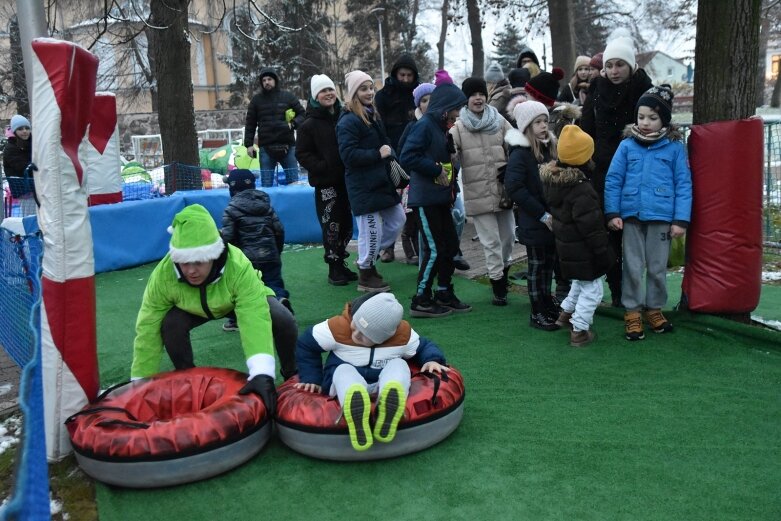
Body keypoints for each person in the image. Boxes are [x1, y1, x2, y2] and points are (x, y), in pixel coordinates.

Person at [130, 204, 299, 417]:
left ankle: (292, 374)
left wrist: (262, 373)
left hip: (238, 300)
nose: (191, 270)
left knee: (282, 318)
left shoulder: (238, 266)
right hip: (191, 308)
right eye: (184, 262)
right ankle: (187, 379)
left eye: (199, 261)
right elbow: (147, 327)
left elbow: (253, 316)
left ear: (212, 254)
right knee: (170, 323)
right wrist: (140, 382)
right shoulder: (163, 275)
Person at [294, 291, 448, 451]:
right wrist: (312, 378)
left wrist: (432, 360)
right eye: (355, 327)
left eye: (363, 336)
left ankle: (389, 403)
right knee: (343, 370)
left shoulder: (402, 336)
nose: (355, 335)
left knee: (399, 364)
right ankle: (354, 403)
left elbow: (423, 346)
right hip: (342, 384)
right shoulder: (338, 327)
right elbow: (306, 345)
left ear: (384, 337)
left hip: (380, 381)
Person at [603, 85, 692, 341]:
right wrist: (612, 212)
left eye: (652, 118)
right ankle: (632, 311)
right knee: (631, 266)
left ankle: (654, 309)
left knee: (656, 267)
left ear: (664, 119)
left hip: (662, 219)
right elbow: (613, 179)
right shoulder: (627, 146)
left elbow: (683, 184)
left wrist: (680, 220)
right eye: (641, 117)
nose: (645, 123)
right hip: (631, 217)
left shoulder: (674, 149)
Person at [580, 32, 653, 307]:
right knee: (609, 236)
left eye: (620, 64)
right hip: (603, 172)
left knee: (634, 237)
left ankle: (636, 292)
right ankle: (618, 292)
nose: (613, 71)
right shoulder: (597, 89)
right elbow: (586, 128)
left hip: (636, 171)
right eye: (609, 65)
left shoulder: (643, 89)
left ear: (631, 66)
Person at [401, 82, 472, 317]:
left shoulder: (442, 128)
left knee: (450, 246)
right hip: (425, 199)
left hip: (441, 198)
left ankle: (443, 291)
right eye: (457, 108)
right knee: (433, 249)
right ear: (445, 107)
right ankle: (421, 298)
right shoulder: (424, 126)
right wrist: (435, 169)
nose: (459, 113)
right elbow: (408, 156)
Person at [540, 125, 614, 347]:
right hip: (584, 250)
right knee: (593, 290)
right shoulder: (581, 189)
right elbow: (591, 227)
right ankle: (579, 330)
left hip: (568, 249)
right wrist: (603, 251)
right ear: (584, 157)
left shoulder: (556, 184)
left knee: (579, 284)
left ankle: (564, 315)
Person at [336, 70, 405, 292]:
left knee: (397, 219)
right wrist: (378, 153)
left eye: (371, 88)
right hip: (363, 185)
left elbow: (383, 144)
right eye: (364, 88)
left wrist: (388, 153)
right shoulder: (348, 120)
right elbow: (348, 156)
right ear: (354, 92)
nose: (369, 92)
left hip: (380, 182)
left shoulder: (371, 114)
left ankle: (367, 260)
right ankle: (366, 273)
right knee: (370, 230)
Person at [450, 77, 515, 306]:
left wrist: (513, 169)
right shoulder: (458, 127)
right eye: (472, 94)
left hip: (503, 190)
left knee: (508, 238)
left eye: (481, 93)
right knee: (491, 242)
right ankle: (498, 284)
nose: (478, 98)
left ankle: (503, 272)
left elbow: (515, 146)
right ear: (465, 99)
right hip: (477, 192)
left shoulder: (499, 121)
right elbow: (451, 154)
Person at [295, 74, 357, 286]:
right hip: (326, 184)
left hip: (347, 180)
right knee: (331, 224)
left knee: (347, 224)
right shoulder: (308, 124)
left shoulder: (344, 116)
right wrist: (322, 166)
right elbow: (302, 153)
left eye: (330, 89)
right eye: (323, 91)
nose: (328, 94)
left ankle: (341, 260)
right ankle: (333, 267)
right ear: (315, 96)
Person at [504, 101, 560, 330]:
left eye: (545, 121)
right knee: (537, 267)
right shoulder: (521, 154)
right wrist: (541, 214)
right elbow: (515, 187)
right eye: (537, 122)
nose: (543, 126)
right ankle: (537, 311)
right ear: (527, 125)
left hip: (550, 219)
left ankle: (547, 303)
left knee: (548, 265)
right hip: (535, 220)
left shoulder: (549, 149)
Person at [222, 169, 291, 324]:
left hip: (245, 259)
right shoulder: (266, 206)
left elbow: (228, 237)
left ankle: (236, 319)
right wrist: (276, 251)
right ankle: (280, 301)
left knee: (241, 289)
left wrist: (230, 258)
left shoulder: (231, 210)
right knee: (273, 283)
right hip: (270, 254)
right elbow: (279, 230)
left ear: (232, 189)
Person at [375, 54, 420, 263]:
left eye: (409, 75)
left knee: (411, 201)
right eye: (402, 74)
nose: (405, 79)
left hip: (412, 152)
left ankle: (410, 240)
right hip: (391, 152)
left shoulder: (417, 94)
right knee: (391, 201)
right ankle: (388, 246)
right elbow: (379, 123)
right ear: (395, 74)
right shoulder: (384, 95)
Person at [243, 68, 306, 185]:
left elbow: (303, 115)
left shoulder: (288, 97)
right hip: (266, 147)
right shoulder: (256, 100)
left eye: (270, 79)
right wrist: (249, 145)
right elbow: (250, 123)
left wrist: (293, 124)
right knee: (267, 184)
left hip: (288, 146)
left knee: (294, 183)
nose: (267, 82)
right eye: (264, 80)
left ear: (275, 81)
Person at [3, 115, 36, 215]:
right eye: (20, 129)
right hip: (24, 190)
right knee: (31, 218)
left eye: (27, 128)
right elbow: (22, 166)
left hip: (37, 187)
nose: (25, 131)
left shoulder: (32, 143)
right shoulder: (11, 148)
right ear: (14, 131)